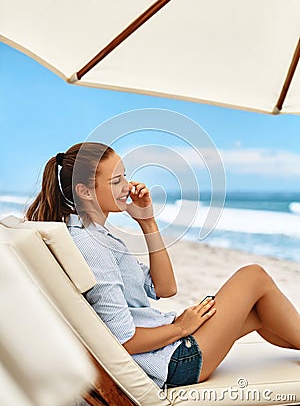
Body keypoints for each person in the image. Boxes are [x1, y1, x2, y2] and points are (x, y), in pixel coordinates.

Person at [26, 142, 300, 389]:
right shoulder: (91, 246)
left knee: (261, 311)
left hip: (170, 346)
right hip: (175, 361)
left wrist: (147, 221)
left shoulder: (96, 236)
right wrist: (181, 328)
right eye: (116, 181)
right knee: (253, 276)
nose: (128, 187)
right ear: (84, 191)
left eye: (125, 176)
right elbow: (123, 342)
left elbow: (165, 288)